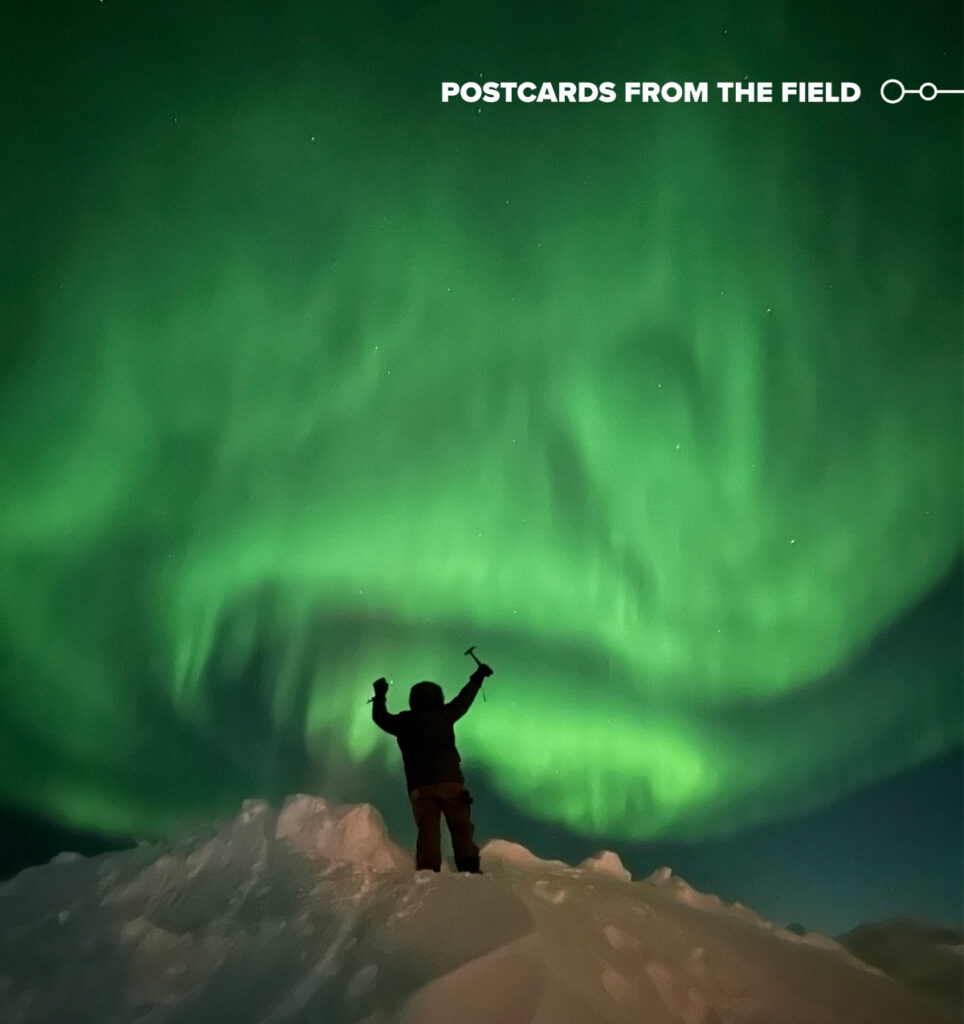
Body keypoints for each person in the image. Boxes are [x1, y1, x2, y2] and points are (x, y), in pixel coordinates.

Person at [371, 663, 493, 873]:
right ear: (438, 697)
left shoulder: (405, 722)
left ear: (413, 700)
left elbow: (381, 718)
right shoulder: (444, 715)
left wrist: (380, 696)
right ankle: (469, 868)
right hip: (451, 782)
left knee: (428, 831)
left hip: (421, 786)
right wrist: (478, 677)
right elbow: (464, 700)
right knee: (460, 826)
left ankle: (428, 871)